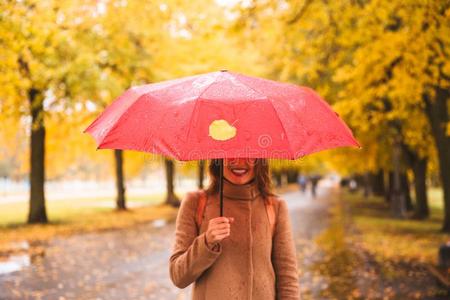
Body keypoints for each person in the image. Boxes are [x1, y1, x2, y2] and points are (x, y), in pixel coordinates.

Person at [169, 158, 301, 299]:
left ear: (260, 160)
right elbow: (178, 276)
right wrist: (206, 242)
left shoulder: (275, 206)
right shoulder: (195, 202)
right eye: (231, 154)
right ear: (218, 159)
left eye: (249, 155)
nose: (239, 161)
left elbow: (287, 278)